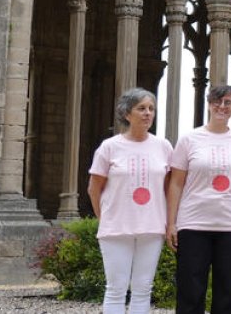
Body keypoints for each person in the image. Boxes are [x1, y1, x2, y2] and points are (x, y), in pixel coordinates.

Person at [166, 85, 231, 314]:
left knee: (229, 292)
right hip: (194, 222)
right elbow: (176, 183)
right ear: (209, 103)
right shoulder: (189, 139)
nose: (222, 106)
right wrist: (172, 223)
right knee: (190, 291)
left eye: (228, 102)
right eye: (217, 101)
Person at [88, 87, 173, 314]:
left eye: (151, 109)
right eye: (141, 108)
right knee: (116, 289)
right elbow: (93, 188)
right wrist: (103, 217)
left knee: (143, 288)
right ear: (127, 114)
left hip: (152, 227)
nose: (147, 113)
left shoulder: (163, 147)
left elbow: (168, 188)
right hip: (116, 228)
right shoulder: (109, 147)